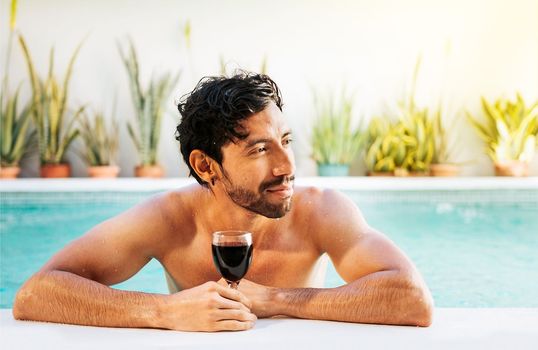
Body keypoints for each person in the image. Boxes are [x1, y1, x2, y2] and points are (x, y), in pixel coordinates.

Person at [13, 72, 433, 331]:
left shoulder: (321, 211)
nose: (287, 166)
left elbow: (412, 298)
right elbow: (36, 294)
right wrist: (166, 312)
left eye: (285, 141)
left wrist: (276, 299)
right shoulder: (169, 219)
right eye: (259, 149)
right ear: (206, 165)